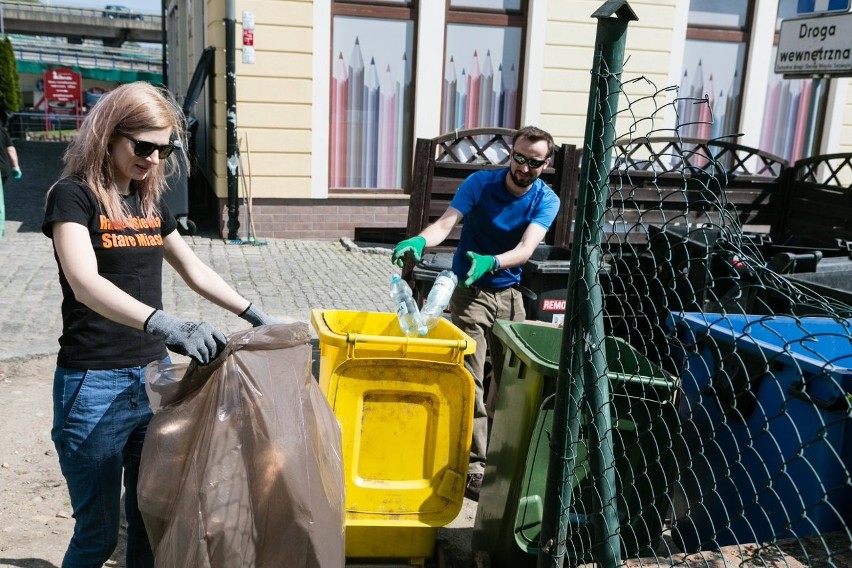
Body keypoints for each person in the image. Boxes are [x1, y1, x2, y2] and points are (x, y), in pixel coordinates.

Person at [42, 81, 277, 568]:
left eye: (163, 149)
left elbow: (195, 270)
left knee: (152, 520)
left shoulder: (150, 204)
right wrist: (163, 323)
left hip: (152, 382)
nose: (152, 159)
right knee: (99, 535)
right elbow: (85, 282)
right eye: (142, 146)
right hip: (92, 386)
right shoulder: (73, 198)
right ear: (108, 135)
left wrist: (255, 315)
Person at [391, 125, 560, 501]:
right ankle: (475, 467)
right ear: (509, 154)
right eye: (518, 157)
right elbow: (445, 223)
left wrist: (494, 262)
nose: (523, 167)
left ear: (545, 164)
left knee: (511, 383)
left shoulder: (546, 200)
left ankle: (505, 458)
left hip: (510, 292)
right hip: (470, 290)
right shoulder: (480, 184)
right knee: (473, 378)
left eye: (533, 162)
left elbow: (526, 249)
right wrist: (420, 239)